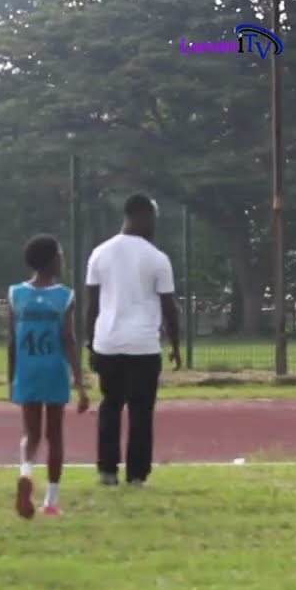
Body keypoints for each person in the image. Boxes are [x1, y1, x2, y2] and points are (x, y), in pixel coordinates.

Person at [85, 195, 181, 487]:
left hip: (108, 342)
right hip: (142, 345)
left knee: (110, 405)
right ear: (141, 216)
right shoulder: (156, 258)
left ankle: (107, 471)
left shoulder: (99, 253)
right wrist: (176, 345)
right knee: (141, 410)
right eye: (152, 218)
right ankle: (137, 475)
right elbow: (169, 307)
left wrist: (91, 342)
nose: (154, 225)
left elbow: (92, 305)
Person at [7, 235, 90, 519]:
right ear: (52, 260)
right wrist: (79, 381)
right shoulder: (64, 296)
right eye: (60, 255)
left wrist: (11, 378)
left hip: (27, 369)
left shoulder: (15, 294)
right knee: (55, 436)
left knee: (31, 434)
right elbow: (68, 339)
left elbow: (11, 340)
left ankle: (26, 472)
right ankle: (51, 501)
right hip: (53, 369)